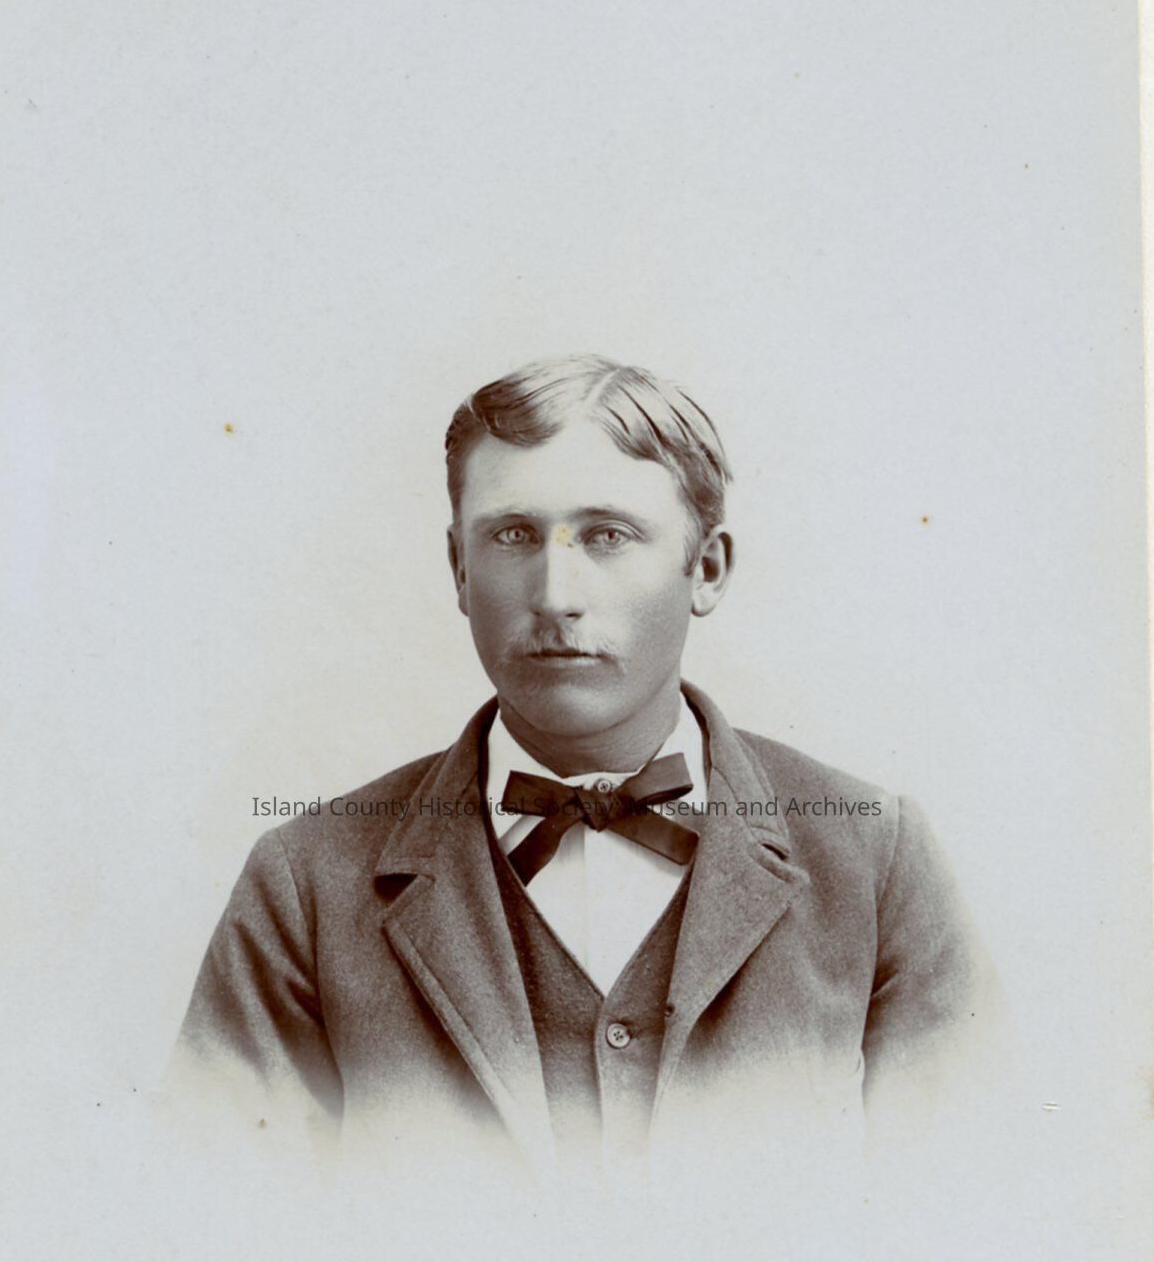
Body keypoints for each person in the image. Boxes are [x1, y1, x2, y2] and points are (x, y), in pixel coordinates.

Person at [179, 355, 995, 1173]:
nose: (555, 595)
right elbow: (220, 1218)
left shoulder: (874, 858)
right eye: (512, 536)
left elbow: (964, 1204)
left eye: (607, 535)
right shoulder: (306, 883)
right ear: (460, 570)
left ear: (706, 569)